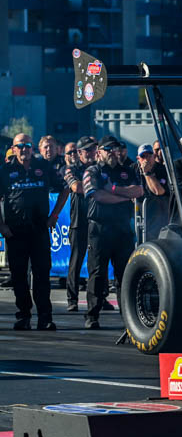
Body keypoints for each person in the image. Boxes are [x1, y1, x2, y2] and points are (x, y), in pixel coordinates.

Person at [0, 133, 69, 329]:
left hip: (39, 230)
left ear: (33, 148)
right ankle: (24, 316)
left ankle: (45, 317)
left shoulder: (43, 166)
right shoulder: (5, 170)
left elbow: (65, 189)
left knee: (42, 275)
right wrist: (2, 226)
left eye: (28, 145)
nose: (25, 149)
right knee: (19, 276)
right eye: (20, 146)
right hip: (15, 231)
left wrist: (54, 215)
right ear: (13, 149)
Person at [82, 135, 144, 329]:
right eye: (108, 149)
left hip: (123, 227)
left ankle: (128, 317)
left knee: (125, 273)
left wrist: (114, 188)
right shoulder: (93, 171)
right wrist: (123, 197)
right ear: (99, 152)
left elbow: (138, 191)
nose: (112, 153)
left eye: (115, 149)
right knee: (97, 273)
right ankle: (92, 315)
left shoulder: (128, 170)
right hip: (99, 228)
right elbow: (99, 195)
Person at [62, 136, 94, 311]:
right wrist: (98, 186)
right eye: (87, 150)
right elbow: (76, 187)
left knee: (97, 263)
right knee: (76, 261)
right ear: (79, 152)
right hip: (78, 221)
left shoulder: (99, 167)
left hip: (97, 220)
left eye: (93, 149)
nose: (91, 153)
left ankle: (99, 297)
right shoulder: (71, 169)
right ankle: (72, 299)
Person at [135, 143, 170, 241]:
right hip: (139, 215)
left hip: (159, 217)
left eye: (149, 156)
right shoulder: (133, 169)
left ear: (154, 156)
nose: (146, 159)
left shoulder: (162, 170)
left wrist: (147, 173)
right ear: (138, 158)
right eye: (143, 156)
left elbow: (158, 191)